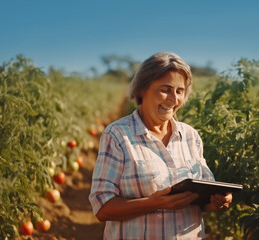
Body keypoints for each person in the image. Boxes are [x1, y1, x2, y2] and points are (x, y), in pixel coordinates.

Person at [89, 52, 232, 239]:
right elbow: (102, 207)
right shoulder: (118, 135)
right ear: (142, 89)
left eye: (179, 91)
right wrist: (153, 203)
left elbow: (201, 196)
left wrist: (214, 201)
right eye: (165, 89)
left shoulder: (190, 136)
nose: (173, 99)